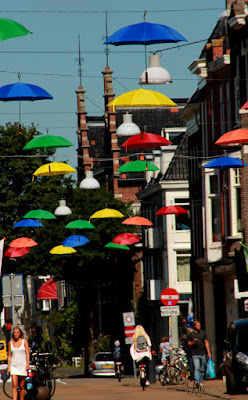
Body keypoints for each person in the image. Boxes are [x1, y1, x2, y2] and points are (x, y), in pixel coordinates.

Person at [7, 326, 30, 400]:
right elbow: (9, 356)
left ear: (20, 333)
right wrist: (8, 366)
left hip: (22, 365)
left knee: (22, 385)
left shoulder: (24, 341)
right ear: (13, 334)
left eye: (17, 332)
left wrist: (27, 364)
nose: (16, 334)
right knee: (14, 385)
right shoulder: (10, 343)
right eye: (15, 332)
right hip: (14, 366)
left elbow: (27, 354)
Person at [188, 321, 211, 389]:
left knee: (202, 369)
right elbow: (189, 344)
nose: (199, 327)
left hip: (203, 353)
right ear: (194, 326)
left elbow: (206, 343)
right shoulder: (191, 334)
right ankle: (197, 381)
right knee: (197, 368)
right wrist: (193, 342)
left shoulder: (203, 333)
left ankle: (201, 382)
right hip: (195, 354)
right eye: (197, 325)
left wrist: (209, 353)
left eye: (199, 325)